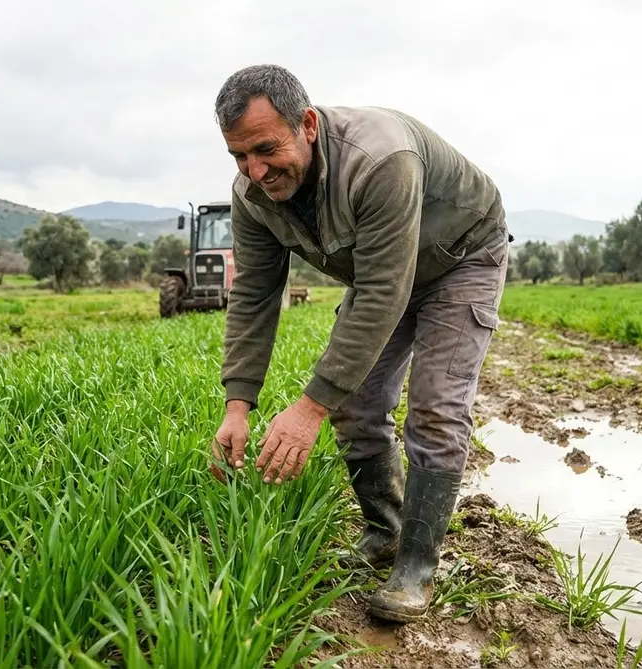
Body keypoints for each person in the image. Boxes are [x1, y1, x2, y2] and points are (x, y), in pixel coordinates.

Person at [207, 63, 510, 623]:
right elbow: (253, 294)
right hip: (386, 272)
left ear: (308, 124)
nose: (255, 170)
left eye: (266, 149)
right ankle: (387, 531)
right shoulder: (251, 195)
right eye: (239, 157)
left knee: (436, 409)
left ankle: (416, 567)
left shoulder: (380, 160)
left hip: (460, 258)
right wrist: (238, 404)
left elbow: (380, 291)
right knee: (359, 403)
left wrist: (309, 407)